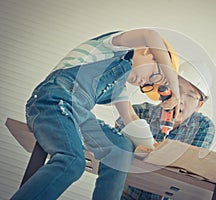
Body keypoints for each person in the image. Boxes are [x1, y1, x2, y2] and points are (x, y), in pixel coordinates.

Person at [11, 28, 180, 200]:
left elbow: (131, 119)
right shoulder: (113, 47)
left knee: (120, 148)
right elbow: (150, 35)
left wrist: (152, 148)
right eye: (153, 75)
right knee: (72, 161)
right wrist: (173, 84)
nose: (144, 83)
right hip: (52, 100)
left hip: (78, 115)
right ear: (147, 51)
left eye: (147, 86)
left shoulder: (118, 87)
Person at [115, 62, 215, 200]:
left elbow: (189, 170)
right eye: (177, 90)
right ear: (166, 90)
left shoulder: (203, 127)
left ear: (199, 104)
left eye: (190, 96)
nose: (180, 100)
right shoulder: (139, 112)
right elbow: (115, 151)